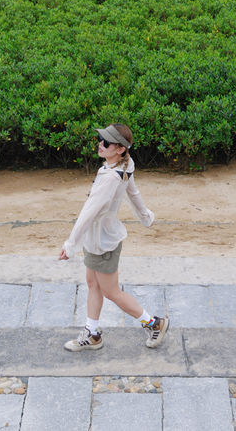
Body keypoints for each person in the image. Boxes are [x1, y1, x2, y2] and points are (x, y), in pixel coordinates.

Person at [58, 123, 169, 351]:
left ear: (120, 149)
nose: (101, 144)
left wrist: (70, 246)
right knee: (93, 284)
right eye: (101, 139)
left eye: (106, 142)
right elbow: (133, 192)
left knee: (111, 291)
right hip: (97, 237)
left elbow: (88, 214)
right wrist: (145, 216)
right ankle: (93, 333)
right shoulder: (124, 165)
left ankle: (154, 323)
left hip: (102, 240)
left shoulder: (111, 177)